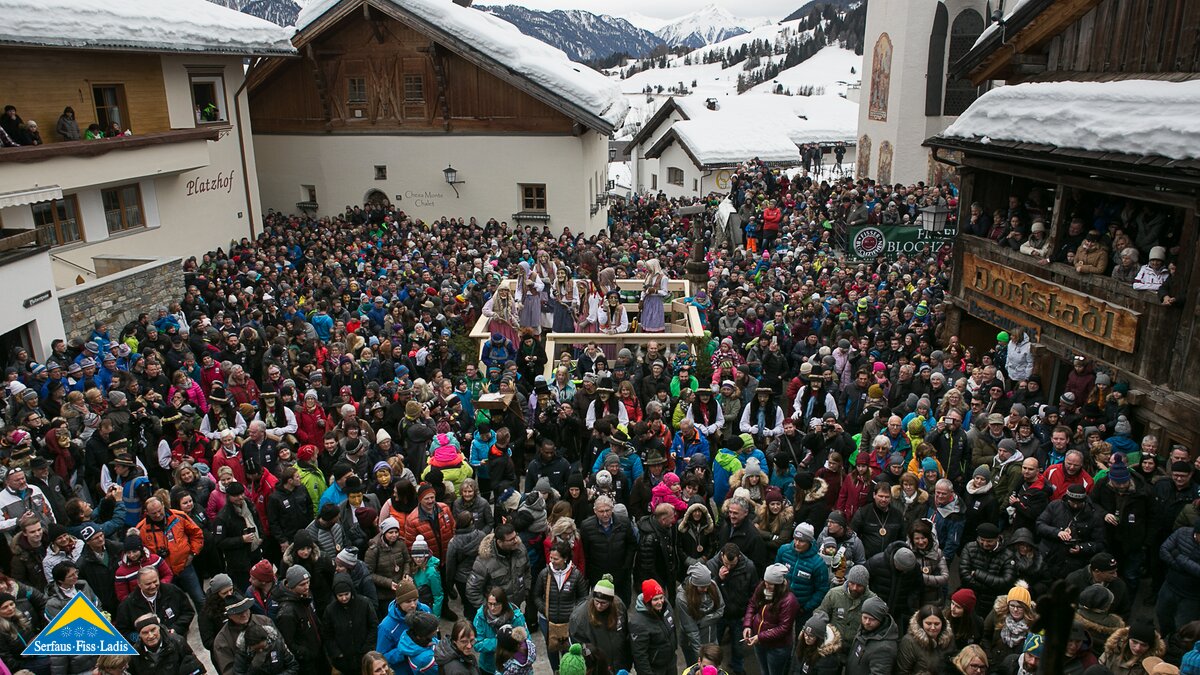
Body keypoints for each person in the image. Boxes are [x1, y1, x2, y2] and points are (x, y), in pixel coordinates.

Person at [743, 563, 798, 675]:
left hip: (777, 647)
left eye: (770, 585)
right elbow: (752, 604)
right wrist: (747, 625)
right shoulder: (762, 587)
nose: (766, 586)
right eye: (765, 583)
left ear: (779, 585)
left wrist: (760, 637)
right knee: (764, 671)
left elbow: (784, 628)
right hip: (759, 642)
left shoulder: (789, 601)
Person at [568, 576, 631, 673]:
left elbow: (626, 637)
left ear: (611, 602)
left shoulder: (619, 608)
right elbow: (577, 648)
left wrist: (627, 664)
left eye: (603, 603)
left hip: (619, 666)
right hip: (597, 669)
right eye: (596, 601)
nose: (599, 605)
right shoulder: (579, 617)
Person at [128, 613, 204, 675]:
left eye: (153, 630)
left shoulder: (177, 642)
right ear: (139, 635)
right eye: (145, 633)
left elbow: (194, 667)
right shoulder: (134, 655)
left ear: (159, 628)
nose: (150, 636)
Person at [473, 587, 526, 675]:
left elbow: (526, 642)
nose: (492, 608)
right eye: (490, 604)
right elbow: (477, 643)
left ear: (503, 604)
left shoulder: (516, 617)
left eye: (496, 604)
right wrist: (501, 642)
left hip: (512, 668)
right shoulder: (480, 616)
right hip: (488, 667)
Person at [630, 579, 678, 675]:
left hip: (670, 663)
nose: (660, 602)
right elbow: (640, 655)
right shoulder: (638, 623)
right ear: (648, 601)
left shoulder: (666, 606)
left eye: (661, 597)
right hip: (655, 669)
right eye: (655, 599)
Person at [845, 597, 899, 675]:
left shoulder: (885, 648)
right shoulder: (864, 629)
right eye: (865, 617)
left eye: (872, 619)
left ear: (880, 619)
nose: (867, 622)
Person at [896, 604, 954, 675]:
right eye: (928, 623)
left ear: (943, 624)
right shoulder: (909, 642)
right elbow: (902, 672)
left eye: (937, 624)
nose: (933, 627)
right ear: (921, 623)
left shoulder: (949, 638)